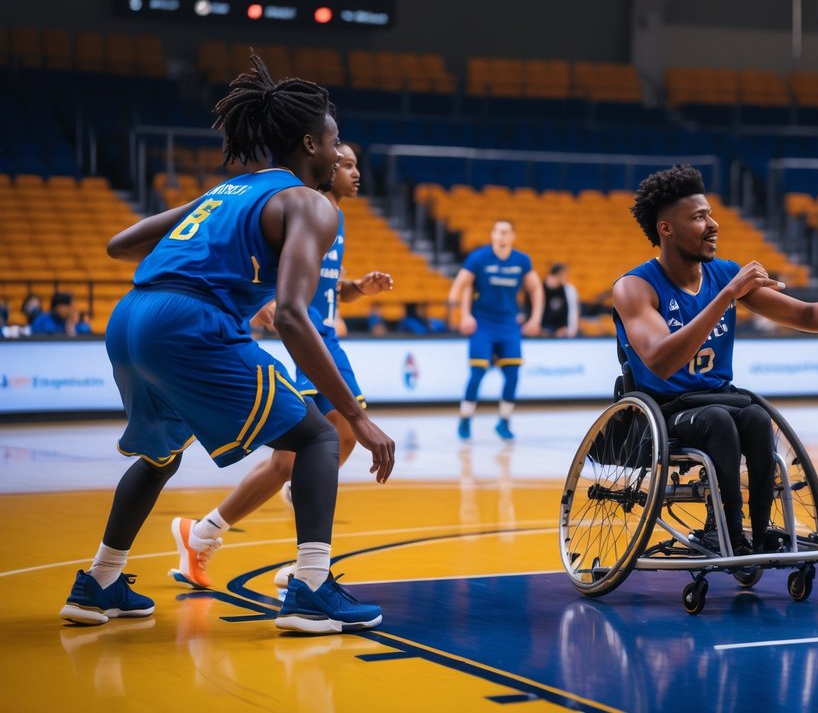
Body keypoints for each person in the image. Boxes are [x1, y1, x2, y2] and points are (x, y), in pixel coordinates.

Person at [58, 53, 395, 634]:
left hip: (131, 317)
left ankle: (99, 582)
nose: (338, 151)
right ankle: (312, 588)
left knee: (160, 455)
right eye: (333, 141)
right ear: (310, 144)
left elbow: (120, 245)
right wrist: (357, 417)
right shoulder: (310, 203)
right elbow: (292, 315)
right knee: (318, 436)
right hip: (189, 323)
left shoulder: (230, 190)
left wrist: (206, 216)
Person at [615, 165, 818, 554]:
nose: (713, 225)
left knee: (755, 417)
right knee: (719, 420)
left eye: (711, 214)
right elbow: (660, 361)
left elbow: (805, 315)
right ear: (666, 229)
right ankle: (725, 531)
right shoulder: (634, 287)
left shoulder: (723, 274)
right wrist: (727, 296)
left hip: (716, 398)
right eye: (699, 217)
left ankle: (759, 531)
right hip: (662, 410)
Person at [167, 144, 394, 591]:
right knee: (330, 441)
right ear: (327, 165)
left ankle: (202, 534)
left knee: (291, 460)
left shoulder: (334, 217)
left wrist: (356, 289)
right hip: (314, 340)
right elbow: (274, 275)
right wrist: (265, 305)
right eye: (346, 164)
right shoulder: (307, 208)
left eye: (356, 165)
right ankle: (306, 560)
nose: (355, 172)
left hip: (325, 335)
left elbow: (323, 285)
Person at [450, 219, 543, 441]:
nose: (501, 235)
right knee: (477, 372)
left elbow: (536, 288)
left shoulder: (522, 260)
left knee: (513, 374)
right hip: (482, 324)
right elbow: (460, 286)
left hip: (509, 324)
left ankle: (504, 421)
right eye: (498, 231)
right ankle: (465, 418)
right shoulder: (478, 258)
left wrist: (535, 318)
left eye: (505, 232)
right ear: (492, 235)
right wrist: (463, 315)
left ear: (513, 236)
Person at [540, 263, 580, 337]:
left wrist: (567, 328)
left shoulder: (567, 289)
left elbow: (569, 311)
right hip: (543, 330)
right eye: (565, 274)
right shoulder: (541, 289)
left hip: (560, 330)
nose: (567, 277)